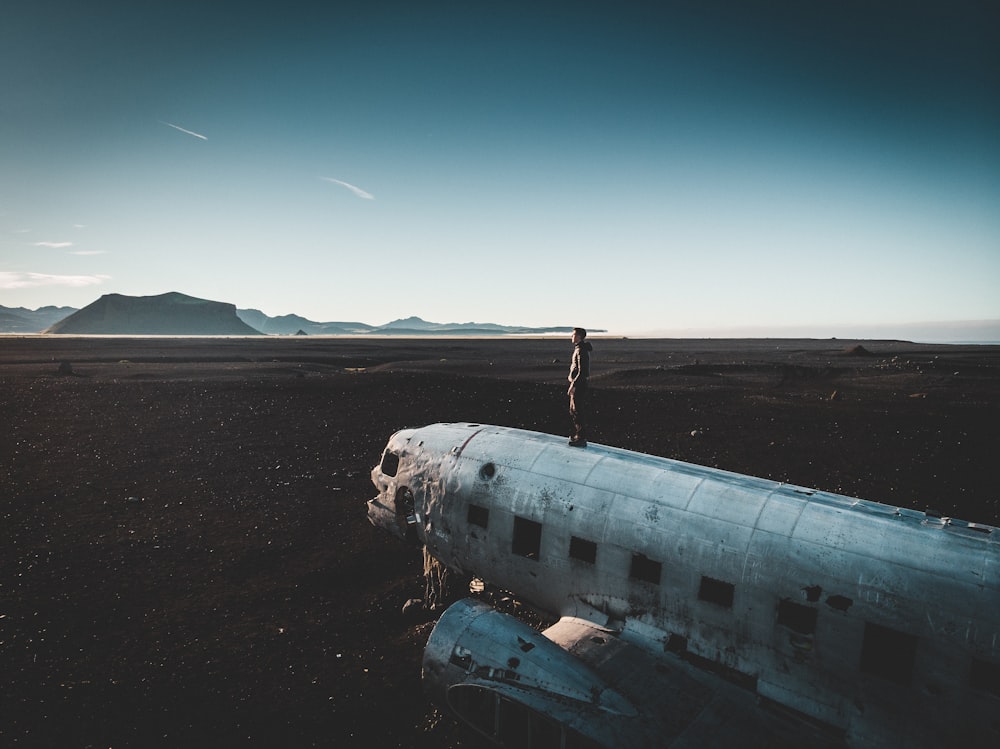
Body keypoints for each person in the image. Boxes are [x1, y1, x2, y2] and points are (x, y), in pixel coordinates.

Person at [567, 327, 593, 447]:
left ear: (579, 337)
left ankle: (581, 438)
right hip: (579, 385)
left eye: (573, 335)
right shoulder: (579, 349)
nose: (571, 337)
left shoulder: (581, 350)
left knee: (577, 411)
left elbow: (583, 371)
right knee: (574, 410)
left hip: (579, 386)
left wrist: (574, 385)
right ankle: (578, 435)